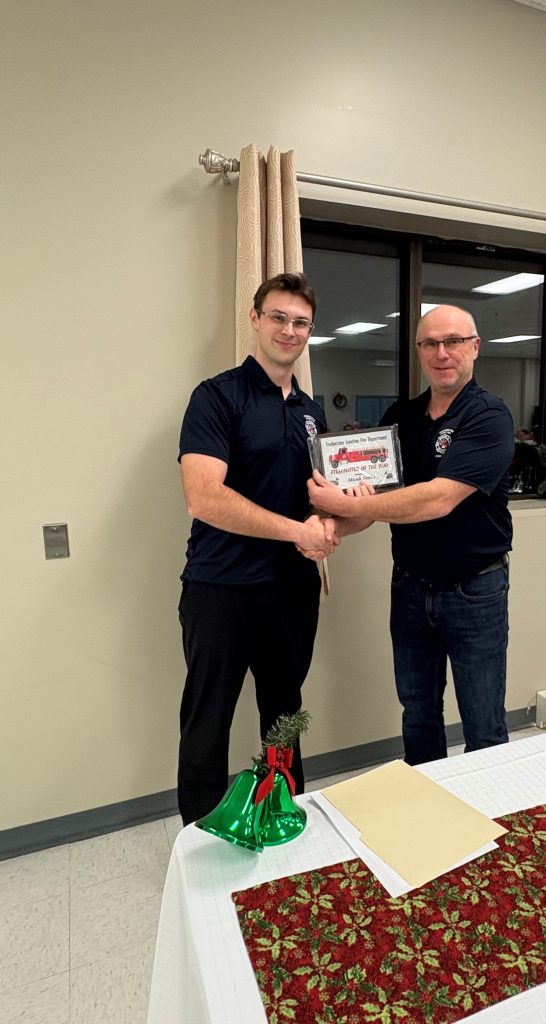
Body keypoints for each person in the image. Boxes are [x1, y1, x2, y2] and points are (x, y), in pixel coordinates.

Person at [308, 304, 515, 765]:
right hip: (410, 587)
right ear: (419, 351)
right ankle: (425, 801)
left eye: (453, 341)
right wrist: (329, 525)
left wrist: (348, 506)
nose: (442, 353)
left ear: (474, 347)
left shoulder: (489, 416)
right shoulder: (401, 417)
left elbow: (437, 500)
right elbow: (378, 504)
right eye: (430, 343)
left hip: (474, 590)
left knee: (483, 722)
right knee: (418, 714)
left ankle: (491, 807)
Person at [177, 271, 337, 824]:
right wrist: (297, 532)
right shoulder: (216, 397)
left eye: (301, 323)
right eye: (279, 318)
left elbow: (318, 497)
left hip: (292, 593)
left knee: (285, 716)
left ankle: (281, 813)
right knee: (209, 719)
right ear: (254, 318)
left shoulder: (313, 414)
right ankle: (200, 840)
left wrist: (333, 519)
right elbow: (203, 498)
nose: (289, 331)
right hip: (221, 589)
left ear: (310, 331)